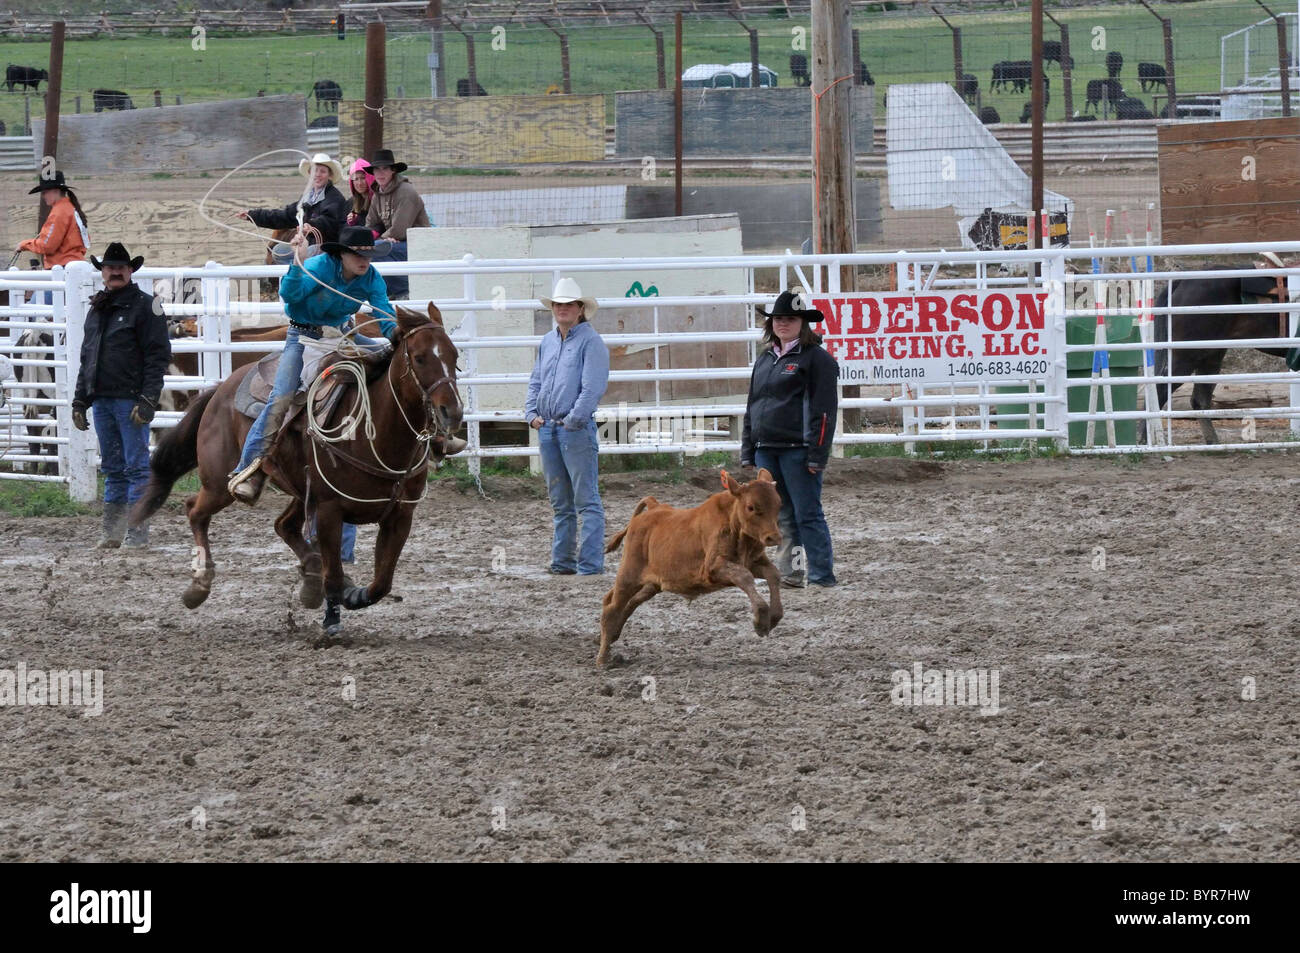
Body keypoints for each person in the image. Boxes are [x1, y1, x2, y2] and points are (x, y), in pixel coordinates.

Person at [227, 225, 397, 506]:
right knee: (280, 397)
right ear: (341, 254)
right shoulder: (317, 267)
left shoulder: (371, 277)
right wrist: (298, 262)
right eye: (357, 254)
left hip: (344, 334)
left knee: (398, 364)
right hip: (304, 337)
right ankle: (248, 469)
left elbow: (383, 313)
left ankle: (432, 442)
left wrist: (396, 336)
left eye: (368, 254)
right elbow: (291, 296)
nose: (364, 260)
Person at [71, 243, 171, 549]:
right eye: (110, 268)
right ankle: (114, 533)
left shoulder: (146, 306)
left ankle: (134, 532)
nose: (115, 272)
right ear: (103, 272)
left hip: (130, 399)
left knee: (134, 466)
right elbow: (88, 356)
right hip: (103, 398)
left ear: (130, 271)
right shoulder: (98, 308)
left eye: (120, 268)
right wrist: (80, 399)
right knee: (115, 467)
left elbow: (157, 356)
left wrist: (148, 399)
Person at [740, 290, 839, 588]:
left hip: (798, 449)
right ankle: (794, 572)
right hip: (767, 449)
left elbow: (824, 412)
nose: (783, 324)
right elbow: (753, 404)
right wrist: (749, 447)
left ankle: (822, 574)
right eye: (778, 319)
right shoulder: (765, 359)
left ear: (802, 323)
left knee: (807, 513)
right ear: (772, 324)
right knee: (783, 515)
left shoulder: (817, 360)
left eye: (790, 319)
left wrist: (817, 454)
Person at [525, 278, 609, 576]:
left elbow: (592, 389)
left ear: (580, 309)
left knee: (585, 500)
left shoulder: (591, 341)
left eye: (568, 304)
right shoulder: (548, 341)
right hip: (549, 426)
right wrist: (531, 412)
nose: (562, 309)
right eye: (559, 304)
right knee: (562, 500)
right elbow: (536, 380)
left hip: (572, 427)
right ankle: (564, 562)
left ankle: (587, 564)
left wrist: (572, 419)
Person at [238, 153, 348, 266]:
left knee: (307, 253)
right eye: (315, 170)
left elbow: (328, 222)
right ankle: (295, 275)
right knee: (278, 251)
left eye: (322, 171)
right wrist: (253, 215)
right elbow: (285, 216)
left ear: (329, 175)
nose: (318, 175)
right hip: (307, 244)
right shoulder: (307, 198)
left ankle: (299, 276)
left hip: (327, 246)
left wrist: (310, 225)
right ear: (310, 173)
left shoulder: (335, 198)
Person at [364, 149, 430, 300]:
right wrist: (365, 240)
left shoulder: (406, 191)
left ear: (393, 170)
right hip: (395, 243)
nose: (380, 173)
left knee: (377, 251)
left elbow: (399, 230)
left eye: (385, 168)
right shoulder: (377, 195)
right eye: (376, 169)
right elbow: (370, 224)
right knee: (364, 251)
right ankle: (383, 294)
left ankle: (404, 292)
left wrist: (380, 239)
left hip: (417, 245)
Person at [18, 169, 89, 269]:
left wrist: (24, 244)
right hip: (75, 264)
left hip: (62, 268)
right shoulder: (71, 207)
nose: (43, 196)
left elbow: (47, 246)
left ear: (56, 191)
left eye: (45, 192)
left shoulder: (59, 212)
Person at [345, 158, 376, 228]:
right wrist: (350, 222)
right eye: (356, 179)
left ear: (370, 178)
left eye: (363, 178)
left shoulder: (377, 200)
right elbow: (342, 227)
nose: (359, 183)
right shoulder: (350, 203)